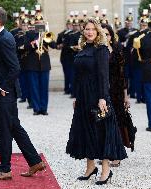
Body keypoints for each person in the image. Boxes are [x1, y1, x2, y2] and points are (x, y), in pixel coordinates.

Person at [0, 6, 45, 181]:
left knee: (5, 130)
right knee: (15, 127)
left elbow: (15, 68)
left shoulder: (4, 39)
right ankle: (34, 161)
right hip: (5, 92)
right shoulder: (3, 36)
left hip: (5, 93)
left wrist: (3, 88)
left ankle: (4, 169)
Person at [66, 17, 127, 185]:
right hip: (84, 96)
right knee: (86, 131)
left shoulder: (101, 50)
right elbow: (78, 77)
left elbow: (103, 76)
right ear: (83, 31)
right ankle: (90, 167)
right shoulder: (83, 48)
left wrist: (102, 98)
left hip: (98, 96)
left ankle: (106, 171)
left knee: (102, 132)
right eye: (87, 29)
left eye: (93, 29)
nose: (89, 31)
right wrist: (77, 97)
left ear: (98, 31)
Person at [101, 23, 134, 167]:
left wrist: (126, 95)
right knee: (103, 122)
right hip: (101, 91)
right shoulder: (97, 50)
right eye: (101, 34)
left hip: (116, 91)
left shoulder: (118, 49)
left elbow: (123, 74)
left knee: (118, 122)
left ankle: (117, 155)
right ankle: (106, 153)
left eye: (107, 34)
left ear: (111, 35)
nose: (104, 37)